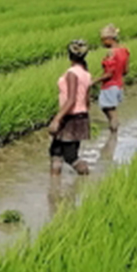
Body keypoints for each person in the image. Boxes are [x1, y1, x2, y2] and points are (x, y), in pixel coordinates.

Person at [48, 40, 93, 176]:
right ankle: (54, 187)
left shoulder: (72, 73)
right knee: (56, 151)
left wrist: (57, 119)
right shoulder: (86, 74)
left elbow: (71, 99)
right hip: (80, 117)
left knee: (70, 156)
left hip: (70, 118)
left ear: (69, 55)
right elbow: (87, 100)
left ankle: (87, 178)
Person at [98, 24, 129, 133]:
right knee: (110, 108)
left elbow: (109, 74)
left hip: (109, 86)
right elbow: (126, 71)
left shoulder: (111, 52)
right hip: (119, 85)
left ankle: (113, 134)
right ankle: (114, 127)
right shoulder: (124, 51)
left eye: (103, 40)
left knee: (109, 110)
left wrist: (93, 81)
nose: (102, 43)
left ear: (110, 39)